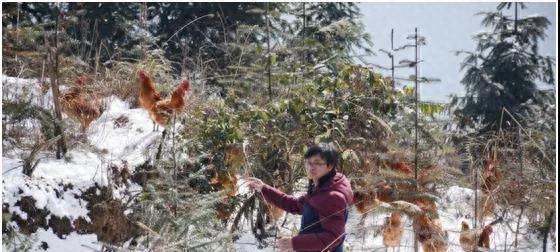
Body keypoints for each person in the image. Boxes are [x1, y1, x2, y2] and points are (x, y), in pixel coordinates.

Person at [246, 143, 353, 252]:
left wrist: (294, 243)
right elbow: (296, 205)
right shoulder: (321, 186)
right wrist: (264, 189)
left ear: (330, 166)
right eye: (308, 162)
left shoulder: (332, 196)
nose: (311, 167)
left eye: (317, 163)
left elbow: (333, 238)